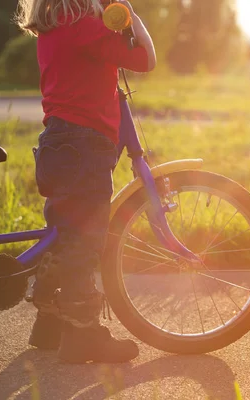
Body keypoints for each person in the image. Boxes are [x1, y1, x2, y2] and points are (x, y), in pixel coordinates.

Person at [15, 0, 156, 364]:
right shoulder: (85, 27)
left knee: (63, 235)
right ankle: (83, 336)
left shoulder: (53, 25)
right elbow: (144, 60)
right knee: (85, 240)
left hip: (57, 143)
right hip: (85, 144)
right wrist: (130, 15)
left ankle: (49, 325)